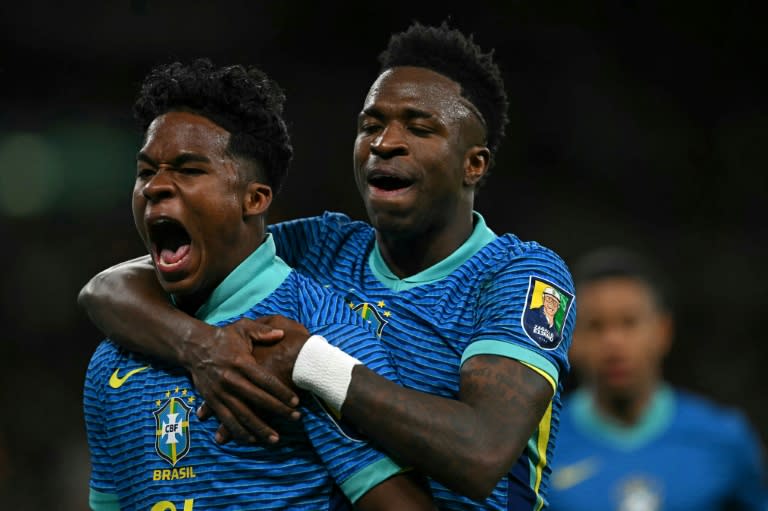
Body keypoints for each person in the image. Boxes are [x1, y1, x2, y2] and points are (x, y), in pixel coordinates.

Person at [79, 22, 576, 510]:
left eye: (419, 127)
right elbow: (107, 289)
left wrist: (311, 363)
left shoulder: (519, 277)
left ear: (475, 165)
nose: (385, 142)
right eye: (371, 125)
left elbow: (481, 452)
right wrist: (204, 348)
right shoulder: (321, 245)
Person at [82, 57, 436, 511]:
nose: (155, 187)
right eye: (147, 171)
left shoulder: (320, 331)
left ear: (254, 199)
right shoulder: (113, 356)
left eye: (189, 170)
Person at [547, 247, 768, 511]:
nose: (613, 343)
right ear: (570, 340)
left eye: (629, 323)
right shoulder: (542, 446)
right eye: (595, 326)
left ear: (663, 331)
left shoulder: (724, 438)